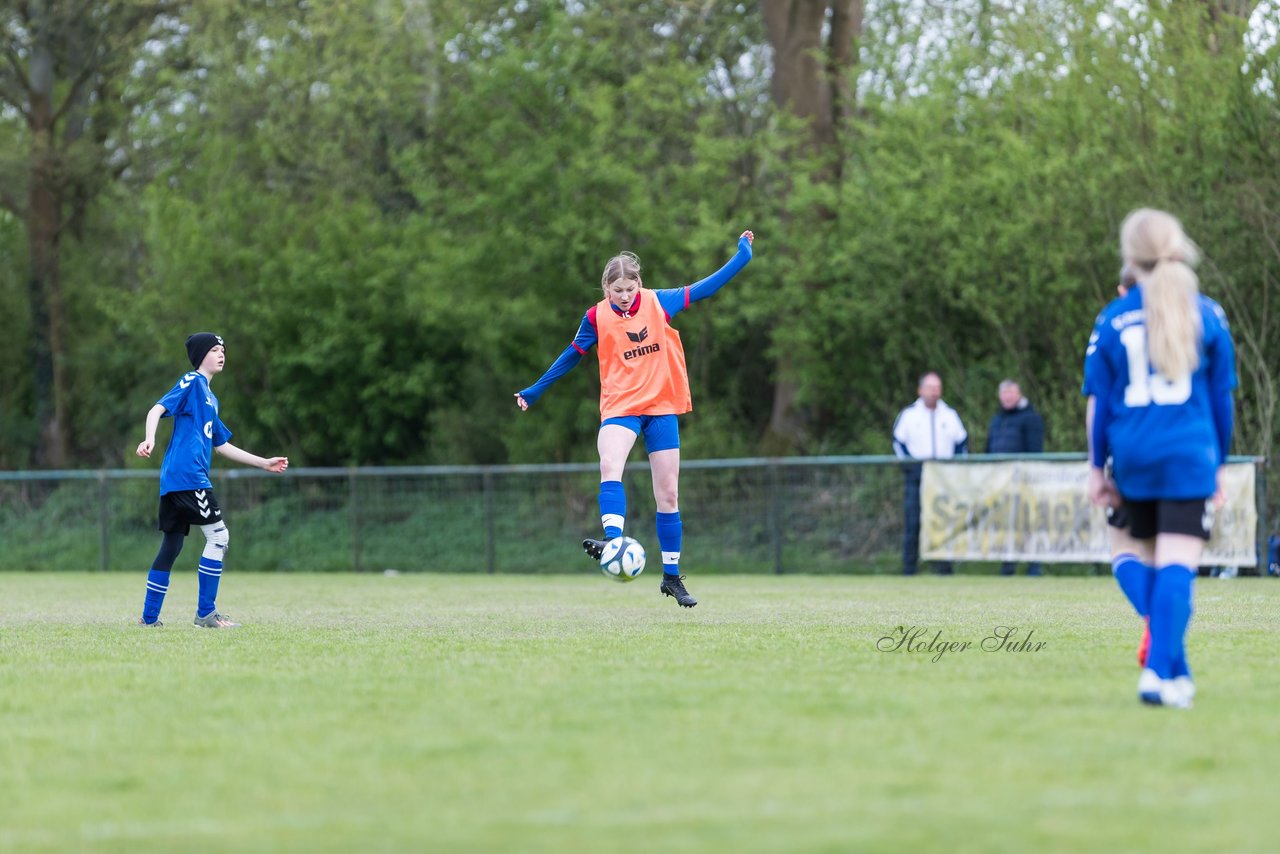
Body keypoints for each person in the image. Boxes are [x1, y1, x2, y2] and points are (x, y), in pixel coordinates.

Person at [515, 230, 754, 608]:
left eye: (630, 288)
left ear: (638, 285)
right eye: (617, 290)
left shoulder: (659, 302)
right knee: (610, 463)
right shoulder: (595, 316)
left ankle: (672, 578)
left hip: (661, 407)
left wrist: (743, 256)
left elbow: (707, 288)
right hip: (620, 407)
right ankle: (613, 540)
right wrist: (534, 390)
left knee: (669, 494)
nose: (624, 295)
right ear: (606, 290)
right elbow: (571, 355)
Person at [1083, 208, 1236, 709]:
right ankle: (1160, 671)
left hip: (1134, 454)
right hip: (1188, 451)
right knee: (1177, 567)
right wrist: (1219, 464)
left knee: (1133, 556)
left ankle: (1173, 672)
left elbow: (1099, 404)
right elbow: (1221, 401)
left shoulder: (1111, 317)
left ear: (1130, 258)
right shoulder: (1208, 313)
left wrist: (1095, 465)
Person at [135, 333, 289, 628]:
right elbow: (156, 409)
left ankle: (149, 618)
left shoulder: (210, 398)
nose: (221, 354)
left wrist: (263, 462)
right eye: (215, 350)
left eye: (223, 350)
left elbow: (221, 445)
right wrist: (149, 438)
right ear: (200, 356)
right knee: (218, 537)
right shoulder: (192, 382)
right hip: (189, 476)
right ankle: (206, 614)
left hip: (175, 480)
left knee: (172, 545)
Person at [892, 372, 968, 575]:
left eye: (937, 387)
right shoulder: (909, 415)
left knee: (943, 523)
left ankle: (944, 569)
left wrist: (954, 469)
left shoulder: (949, 415)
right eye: (930, 387)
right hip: (917, 478)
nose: (934, 391)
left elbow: (961, 443)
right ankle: (909, 569)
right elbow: (898, 442)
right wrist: (912, 467)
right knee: (913, 522)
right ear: (920, 390)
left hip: (944, 479)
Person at [985, 378, 1045, 576]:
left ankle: (1033, 566)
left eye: (1011, 392)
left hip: (1024, 481)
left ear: (1019, 394)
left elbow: (1035, 450)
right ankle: (1007, 566)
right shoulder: (997, 419)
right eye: (1004, 393)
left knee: (1027, 524)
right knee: (1005, 524)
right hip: (1001, 482)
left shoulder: (1031, 418)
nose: (1007, 397)